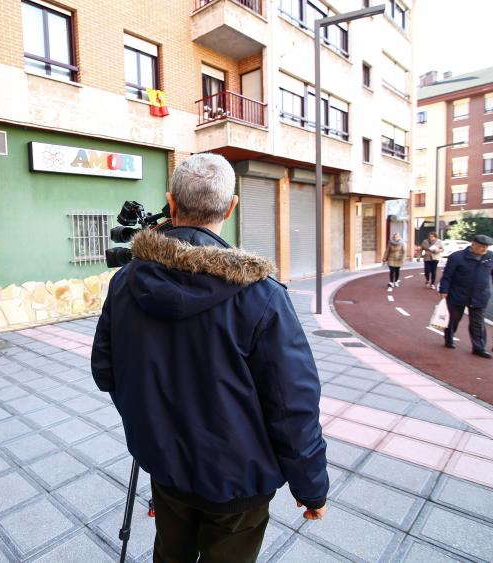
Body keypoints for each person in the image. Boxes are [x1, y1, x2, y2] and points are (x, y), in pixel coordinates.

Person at [91, 153, 328, 563]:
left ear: (172, 201)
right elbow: (293, 405)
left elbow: (105, 371)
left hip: (165, 469)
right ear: (231, 206)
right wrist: (311, 487)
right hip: (239, 483)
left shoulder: (126, 281)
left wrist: (154, 428)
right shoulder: (263, 295)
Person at [439, 234, 493, 358]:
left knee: (477, 323)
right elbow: (447, 276)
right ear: (473, 244)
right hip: (458, 293)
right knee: (453, 318)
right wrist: (444, 290)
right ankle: (449, 337)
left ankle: (478, 347)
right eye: (482, 247)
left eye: (487, 247)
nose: (485, 249)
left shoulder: (491, 257)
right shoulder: (457, 257)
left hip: (480, 295)